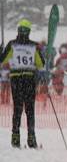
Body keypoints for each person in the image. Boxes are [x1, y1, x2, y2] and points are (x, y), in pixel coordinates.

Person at [1, 19, 46, 148]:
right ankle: (31, 139)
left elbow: (3, 60)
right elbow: (41, 64)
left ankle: (15, 138)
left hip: (16, 79)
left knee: (17, 109)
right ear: (29, 31)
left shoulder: (12, 44)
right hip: (29, 79)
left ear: (18, 30)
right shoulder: (34, 46)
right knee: (30, 110)